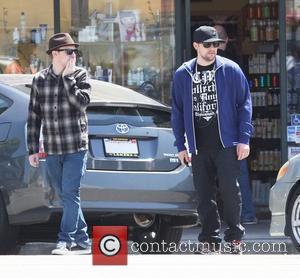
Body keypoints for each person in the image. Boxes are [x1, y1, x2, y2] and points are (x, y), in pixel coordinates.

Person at [171, 26, 253, 254]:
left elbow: (245, 105)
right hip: (198, 144)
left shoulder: (231, 69)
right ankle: (209, 239)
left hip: (226, 142)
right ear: (196, 46)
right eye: (207, 45)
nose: (212, 49)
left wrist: (244, 139)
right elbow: (177, 112)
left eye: (215, 44)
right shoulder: (183, 74)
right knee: (204, 194)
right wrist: (181, 145)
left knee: (229, 190)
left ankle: (235, 238)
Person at [27, 33, 91, 255]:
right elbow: (34, 116)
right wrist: (32, 149)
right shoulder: (39, 80)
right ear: (55, 54)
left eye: (75, 51)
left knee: (71, 193)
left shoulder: (80, 75)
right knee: (65, 195)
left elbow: (80, 104)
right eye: (69, 51)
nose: (74, 55)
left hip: (76, 146)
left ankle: (65, 241)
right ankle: (83, 239)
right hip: (53, 148)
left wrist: (68, 79)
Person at [214, 24, 257, 225]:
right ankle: (246, 214)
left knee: (214, 177)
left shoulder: (215, 63)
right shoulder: (237, 61)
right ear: (227, 40)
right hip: (235, 128)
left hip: (219, 128)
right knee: (239, 174)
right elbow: (245, 102)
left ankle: (223, 217)